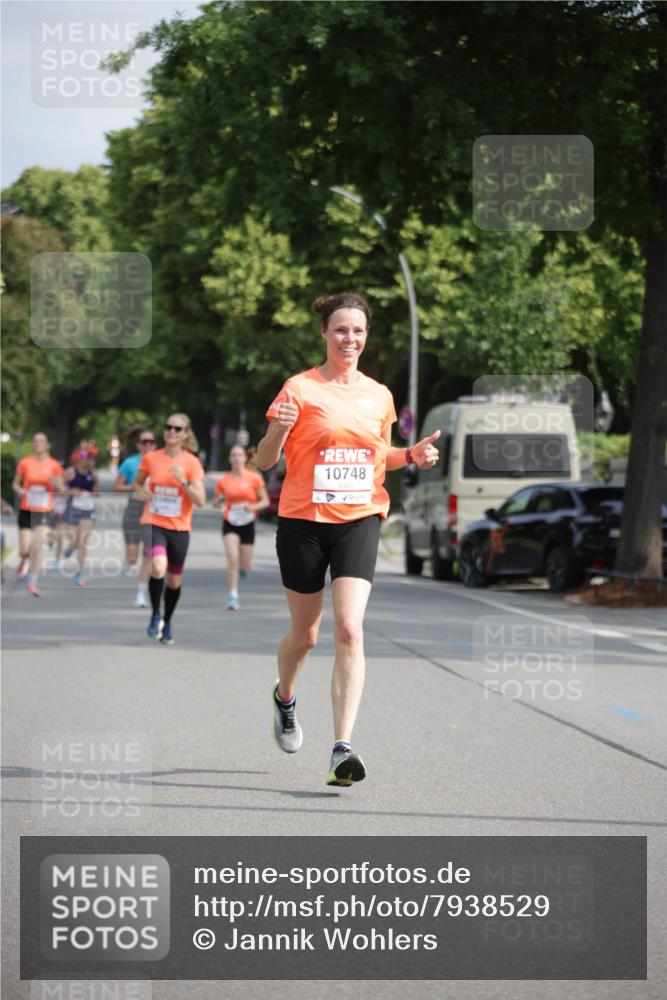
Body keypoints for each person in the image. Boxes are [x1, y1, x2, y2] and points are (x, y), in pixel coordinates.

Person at [257, 293, 440, 787]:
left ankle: (341, 749)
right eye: (340, 330)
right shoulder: (298, 389)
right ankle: (286, 698)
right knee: (306, 636)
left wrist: (413, 456)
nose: (349, 339)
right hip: (303, 521)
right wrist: (279, 431)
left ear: (366, 336)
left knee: (350, 630)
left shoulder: (379, 395)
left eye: (357, 331)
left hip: (360, 517)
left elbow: (379, 457)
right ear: (324, 333)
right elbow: (264, 461)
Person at [133, 413, 205, 645]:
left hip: (180, 527)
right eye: (168, 427)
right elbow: (136, 485)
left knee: (174, 581)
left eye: (177, 429)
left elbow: (200, 500)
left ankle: (168, 620)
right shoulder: (151, 458)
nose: (171, 431)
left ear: (185, 434)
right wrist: (141, 492)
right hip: (153, 521)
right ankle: (155, 614)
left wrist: (184, 481)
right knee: (158, 566)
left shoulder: (192, 463)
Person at [213, 444, 269, 609]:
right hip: (230, 521)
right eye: (233, 455)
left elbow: (265, 501)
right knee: (232, 557)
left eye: (239, 455)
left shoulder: (254, 478)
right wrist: (220, 501)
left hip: (248, 522)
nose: (237, 458)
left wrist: (251, 507)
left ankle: (243, 570)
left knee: (245, 563)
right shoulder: (223, 481)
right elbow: (216, 502)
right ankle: (232, 595)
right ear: (230, 459)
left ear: (245, 458)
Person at [11, 432, 65, 596]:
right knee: (25, 549)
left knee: (37, 547)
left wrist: (56, 484)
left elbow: (61, 489)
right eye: (36, 441)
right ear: (33, 444)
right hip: (27, 508)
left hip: (44, 510)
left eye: (42, 441)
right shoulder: (25, 463)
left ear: (47, 444)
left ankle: (32, 581)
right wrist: (20, 491)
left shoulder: (54, 465)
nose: (39, 443)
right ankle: (23, 559)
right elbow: (15, 483)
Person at [114, 426, 157, 607]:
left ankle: (141, 593)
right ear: (138, 445)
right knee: (132, 557)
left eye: (151, 442)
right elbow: (118, 487)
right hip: (134, 508)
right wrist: (135, 487)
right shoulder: (130, 463)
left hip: (154, 510)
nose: (147, 445)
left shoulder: (161, 461)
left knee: (148, 553)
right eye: (144, 442)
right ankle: (129, 562)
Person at [59, 449, 100, 586]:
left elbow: (97, 492)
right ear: (77, 458)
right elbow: (60, 487)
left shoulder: (92, 473)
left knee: (83, 541)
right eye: (82, 457)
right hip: (72, 507)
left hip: (87, 509)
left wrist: (95, 486)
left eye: (88, 457)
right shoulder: (71, 472)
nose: (85, 459)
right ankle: (70, 549)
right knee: (74, 540)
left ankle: (78, 573)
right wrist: (71, 491)